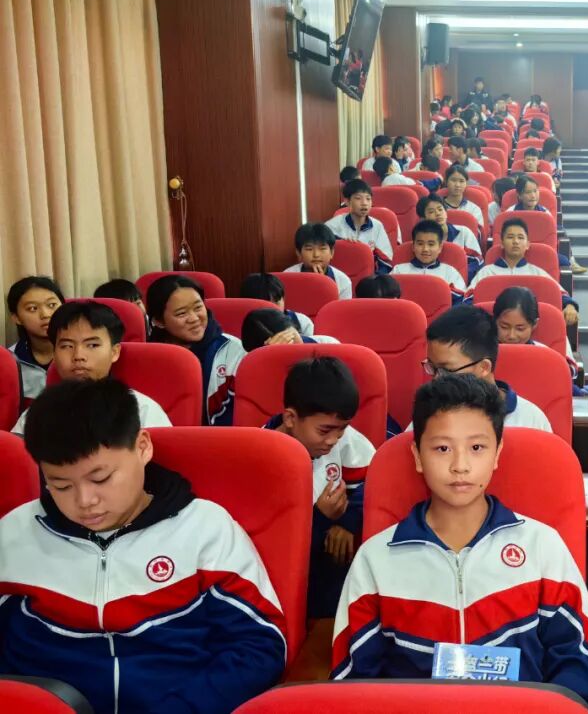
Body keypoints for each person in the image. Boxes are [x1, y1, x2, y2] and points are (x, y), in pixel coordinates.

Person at [0, 379, 285, 713]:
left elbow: (261, 645)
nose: (84, 501)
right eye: (61, 485)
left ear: (143, 447)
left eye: (101, 479)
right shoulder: (15, 535)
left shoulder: (204, 529)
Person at [330, 374, 588, 707]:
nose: (460, 466)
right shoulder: (376, 559)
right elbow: (354, 681)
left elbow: (577, 657)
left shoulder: (541, 546)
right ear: (417, 455)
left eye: (477, 448)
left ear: (497, 454)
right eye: (442, 448)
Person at [266, 357, 374, 618]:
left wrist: (347, 521)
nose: (334, 440)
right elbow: (273, 542)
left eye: (342, 429)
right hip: (287, 573)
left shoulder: (343, 440)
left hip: (335, 571)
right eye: (325, 431)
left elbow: (375, 481)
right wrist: (321, 517)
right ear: (290, 418)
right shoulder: (263, 455)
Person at [10, 301, 171, 435]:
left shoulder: (142, 410)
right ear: (54, 353)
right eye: (66, 346)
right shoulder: (38, 413)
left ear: (114, 352)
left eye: (92, 345)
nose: (78, 356)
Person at [423, 305, 552, 432]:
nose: (436, 379)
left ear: (484, 367)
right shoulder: (429, 414)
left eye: (446, 370)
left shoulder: (530, 421)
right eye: (432, 367)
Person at [147, 275, 245, 426]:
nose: (194, 318)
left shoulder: (233, 350)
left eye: (198, 307)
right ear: (158, 321)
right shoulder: (148, 357)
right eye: (181, 313)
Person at [469, 218, 580, 326]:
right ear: (502, 243)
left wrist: (570, 306)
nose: (515, 241)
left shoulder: (537, 273)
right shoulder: (486, 272)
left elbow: (559, 294)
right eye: (510, 237)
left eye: (520, 237)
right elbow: (468, 298)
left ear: (527, 245)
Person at [493, 286, 577, 382]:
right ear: (495, 321)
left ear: (534, 324)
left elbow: (565, 375)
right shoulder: (483, 353)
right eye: (504, 327)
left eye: (520, 329)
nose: (511, 336)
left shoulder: (545, 354)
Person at [6, 275, 65, 402]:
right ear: (16, 318)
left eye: (52, 305)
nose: (45, 314)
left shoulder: (80, 353)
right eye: (32, 308)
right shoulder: (9, 361)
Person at [389, 219, 468, 302]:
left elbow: (461, 301)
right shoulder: (399, 271)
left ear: (440, 247)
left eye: (431, 244)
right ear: (413, 246)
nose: (425, 249)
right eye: (420, 244)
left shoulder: (450, 273)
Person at [325, 179, 394, 269]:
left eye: (368, 199)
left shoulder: (377, 226)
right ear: (347, 201)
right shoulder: (333, 226)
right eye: (358, 198)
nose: (364, 203)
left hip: (368, 274)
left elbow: (386, 261)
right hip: (340, 271)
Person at [417, 195, 482, 280]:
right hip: (433, 280)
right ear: (423, 219)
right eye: (431, 212)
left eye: (440, 209)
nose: (438, 213)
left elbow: (477, 261)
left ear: (446, 212)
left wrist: (458, 277)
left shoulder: (463, 232)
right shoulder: (421, 238)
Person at [285, 222, 353, 301]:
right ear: (299, 254)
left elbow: (341, 308)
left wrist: (323, 285)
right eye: (309, 249)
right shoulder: (287, 277)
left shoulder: (343, 281)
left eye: (322, 249)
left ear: (332, 253)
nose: (316, 255)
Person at [239, 271, 317, 337]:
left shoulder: (302, 322)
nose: (272, 310)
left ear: (283, 299)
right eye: (266, 305)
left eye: (276, 303)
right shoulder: (239, 324)